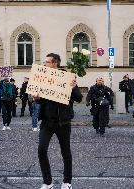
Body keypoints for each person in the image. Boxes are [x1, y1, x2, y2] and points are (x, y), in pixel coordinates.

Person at [37, 53, 82, 189]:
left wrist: (73, 86)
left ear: (54, 63)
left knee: (66, 152)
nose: (44, 64)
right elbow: (41, 99)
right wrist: (36, 97)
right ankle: (47, 182)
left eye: (47, 62)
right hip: (47, 122)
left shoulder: (67, 77)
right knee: (41, 150)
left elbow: (79, 98)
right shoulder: (43, 78)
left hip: (63, 123)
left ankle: (67, 182)